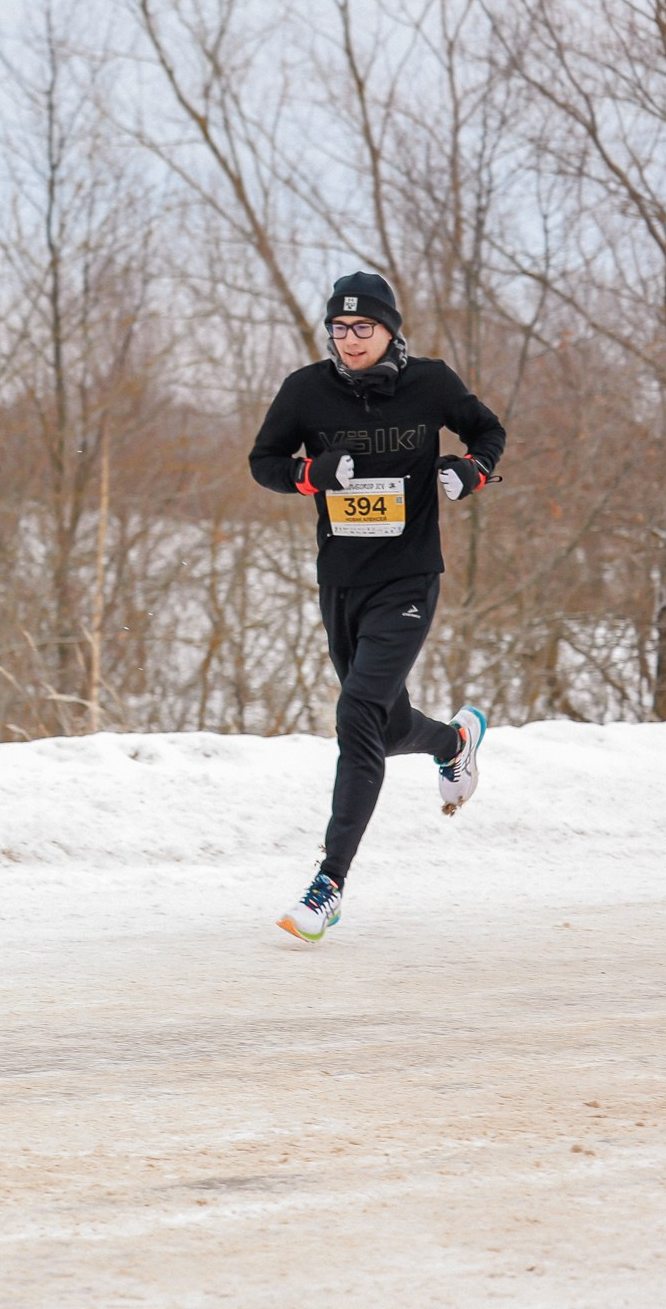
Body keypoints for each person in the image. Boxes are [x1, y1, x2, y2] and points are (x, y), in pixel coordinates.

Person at [248, 271, 507, 944]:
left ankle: (328, 884)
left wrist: (470, 471)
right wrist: (309, 473)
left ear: (391, 328)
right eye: (339, 328)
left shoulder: (431, 382)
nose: (349, 339)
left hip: (409, 580)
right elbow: (264, 460)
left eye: (363, 327)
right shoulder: (306, 390)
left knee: (355, 714)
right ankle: (454, 742)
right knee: (382, 728)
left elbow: (488, 431)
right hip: (341, 582)